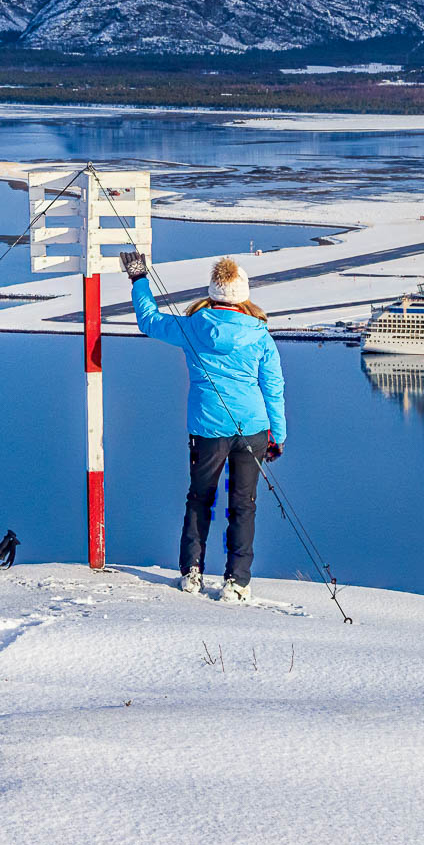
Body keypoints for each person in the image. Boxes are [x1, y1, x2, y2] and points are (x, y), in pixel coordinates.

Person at [123, 252, 286, 602]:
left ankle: (192, 572)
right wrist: (278, 435)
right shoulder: (260, 335)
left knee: (200, 498)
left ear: (212, 293)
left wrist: (138, 279)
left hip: (208, 428)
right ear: (244, 295)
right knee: (244, 505)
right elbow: (273, 387)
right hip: (254, 428)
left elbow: (149, 321)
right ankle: (237, 581)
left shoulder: (194, 327)